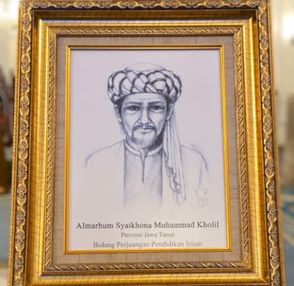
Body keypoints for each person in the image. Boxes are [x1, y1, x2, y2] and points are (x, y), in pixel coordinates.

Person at [84, 64, 209, 211]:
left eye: (155, 108)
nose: (144, 120)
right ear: (118, 113)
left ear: (168, 112)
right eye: (134, 108)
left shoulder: (194, 164)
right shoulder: (97, 163)